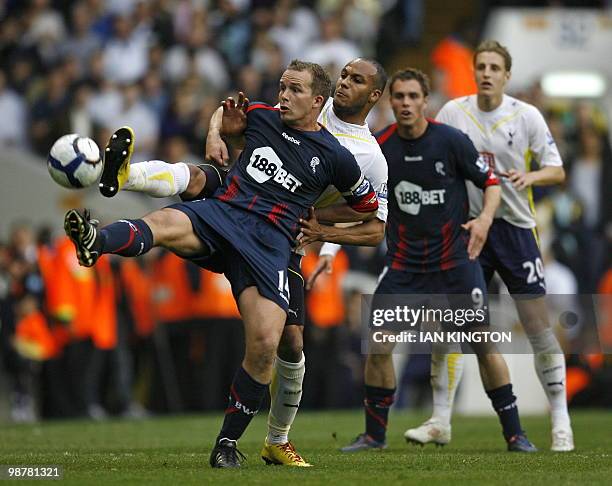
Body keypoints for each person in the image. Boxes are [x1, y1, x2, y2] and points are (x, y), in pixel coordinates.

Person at [64, 59, 379, 468]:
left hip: (270, 246)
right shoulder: (264, 117)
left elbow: (369, 210)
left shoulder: (340, 157)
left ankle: (227, 444)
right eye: (282, 86)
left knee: (266, 344)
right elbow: (225, 111)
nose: (283, 95)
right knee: (165, 221)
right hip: (225, 214)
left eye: (294, 89)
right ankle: (96, 239)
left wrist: (322, 227)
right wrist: (216, 131)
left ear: (317, 100)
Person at [303, 68, 537, 452]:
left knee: (482, 344)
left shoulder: (451, 142)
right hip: (403, 267)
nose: (406, 103)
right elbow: (360, 207)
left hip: (454, 265)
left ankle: (516, 434)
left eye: (413, 96)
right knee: (378, 344)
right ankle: (374, 436)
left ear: (425, 101)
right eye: (400, 97)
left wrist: (484, 219)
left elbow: (491, 183)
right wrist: (329, 249)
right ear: (388, 100)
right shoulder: (379, 150)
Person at [406, 40, 573, 452]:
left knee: (537, 326)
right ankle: (441, 419)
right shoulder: (453, 113)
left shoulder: (526, 115)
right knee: (451, 324)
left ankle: (561, 421)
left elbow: (557, 170)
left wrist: (529, 178)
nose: (486, 73)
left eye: (494, 67)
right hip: (469, 231)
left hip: (516, 229)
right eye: (481, 66)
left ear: (506, 75)